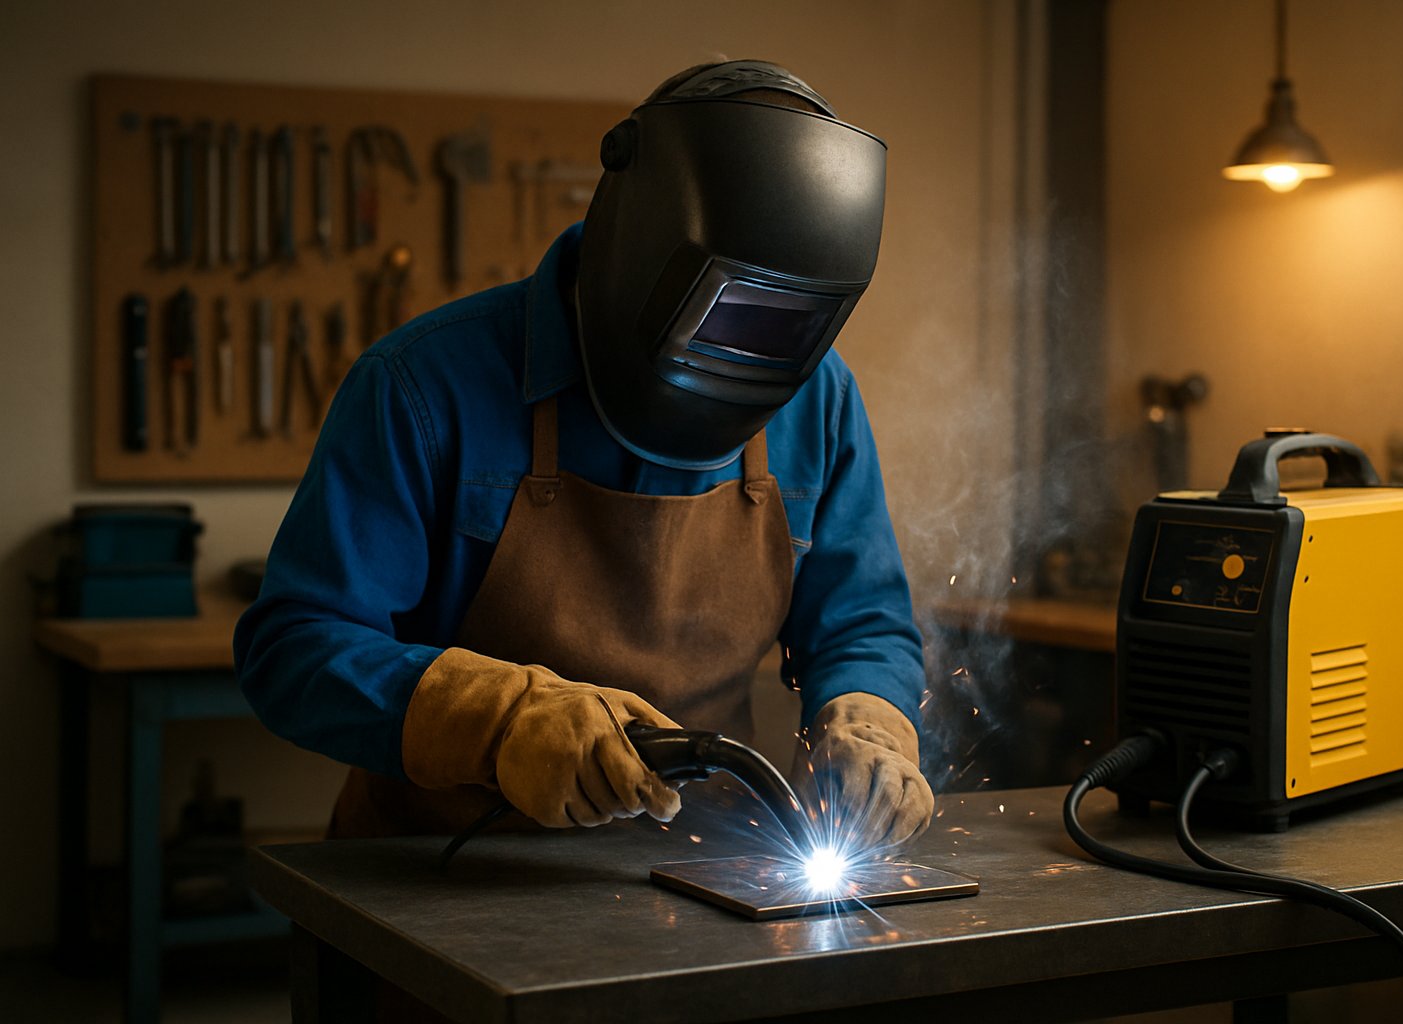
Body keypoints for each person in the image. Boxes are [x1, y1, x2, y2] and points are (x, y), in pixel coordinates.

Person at [234, 60, 933, 850]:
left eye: (787, 325)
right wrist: (497, 719)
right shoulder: (424, 383)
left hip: (694, 873)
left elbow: (860, 625)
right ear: (642, 246)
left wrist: (869, 714)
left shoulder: (821, 398)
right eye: (721, 310)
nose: (741, 353)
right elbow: (293, 648)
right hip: (441, 875)